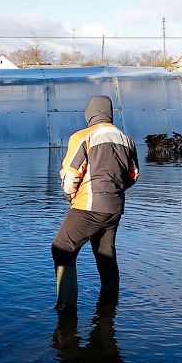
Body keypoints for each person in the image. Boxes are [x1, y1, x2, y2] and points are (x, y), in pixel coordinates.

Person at [51, 95, 139, 314]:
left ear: (89, 113)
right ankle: (110, 302)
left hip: (88, 205)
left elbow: (71, 176)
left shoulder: (83, 136)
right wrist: (115, 192)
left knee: (62, 248)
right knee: (105, 251)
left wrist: (70, 196)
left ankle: (66, 308)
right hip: (115, 207)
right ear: (109, 112)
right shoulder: (126, 139)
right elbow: (133, 174)